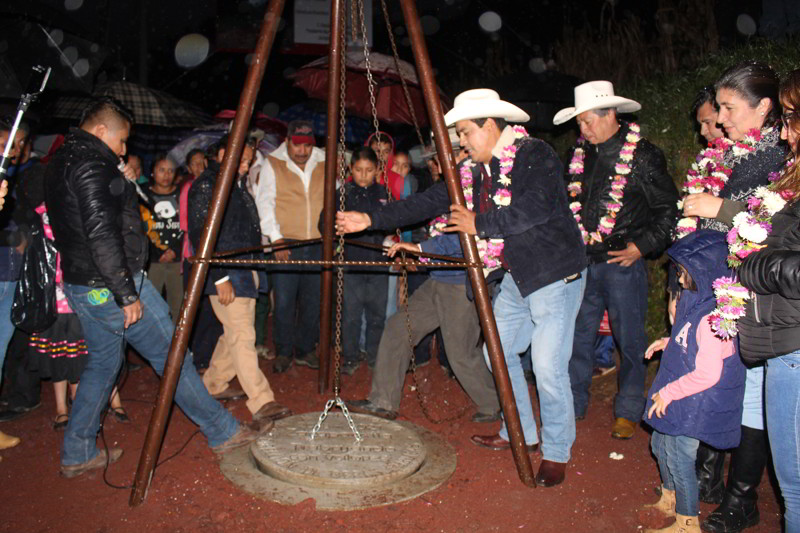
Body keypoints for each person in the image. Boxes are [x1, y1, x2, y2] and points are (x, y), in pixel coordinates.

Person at [338, 89, 587, 487]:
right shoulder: (473, 171)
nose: (462, 143)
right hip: (516, 278)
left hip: (555, 274)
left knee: (546, 365)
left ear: (490, 125)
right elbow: (424, 203)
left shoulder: (534, 154)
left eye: (466, 133)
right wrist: (369, 219)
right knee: (497, 353)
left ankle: (556, 452)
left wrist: (480, 225)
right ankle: (519, 431)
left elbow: (538, 206)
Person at [45, 97, 271, 478]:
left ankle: (77, 451)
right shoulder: (90, 166)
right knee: (172, 355)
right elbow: (101, 235)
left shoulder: (64, 159)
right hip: (112, 283)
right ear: (101, 131)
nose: (123, 150)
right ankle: (222, 430)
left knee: (102, 365)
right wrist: (125, 293)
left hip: (84, 283)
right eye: (121, 142)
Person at [682, 61, 784, 533]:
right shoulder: (735, 153)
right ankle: (716, 479)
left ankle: (742, 498)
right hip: (722, 285)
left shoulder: (781, 154)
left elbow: (777, 218)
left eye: (727, 108)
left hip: (760, 296)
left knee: (752, 396)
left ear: (763, 106)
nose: (719, 119)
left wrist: (720, 208)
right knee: (727, 384)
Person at [554, 80, 679, 439]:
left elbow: (668, 209)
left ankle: (628, 409)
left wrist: (643, 246)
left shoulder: (642, 155)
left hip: (623, 262)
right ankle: (573, 403)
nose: (583, 129)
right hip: (582, 261)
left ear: (611, 114)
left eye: (589, 121)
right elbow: (568, 204)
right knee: (578, 336)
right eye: (579, 123)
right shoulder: (578, 154)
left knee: (630, 339)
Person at [642, 230, 745, 533]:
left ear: (706, 272)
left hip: (695, 400)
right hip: (682, 391)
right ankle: (670, 497)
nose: (679, 279)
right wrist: (666, 342)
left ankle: (688, 521)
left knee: (680, 456)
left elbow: (708, 373)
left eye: (684, 273)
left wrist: (669, 393)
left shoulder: (712, 319)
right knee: (659, 442)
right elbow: (687, 340)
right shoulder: (695, 303)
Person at [733, 67, 800, 533]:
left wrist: (757, 264)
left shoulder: (765, 160)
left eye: (792, 116)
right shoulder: (791, 171)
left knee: (794, 484)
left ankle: (737, 498)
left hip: (795, 347)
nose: (785, 129)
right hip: (782, 338)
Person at [188, 136, 290, 422]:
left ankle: (212, 384)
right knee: (243, 334)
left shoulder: (234, 186)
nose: (245, 167)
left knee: (234, 334)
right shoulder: (208, 186)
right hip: (226, 273)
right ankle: (261, 401)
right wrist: (219, 278)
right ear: (222, 154)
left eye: (248, 162)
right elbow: (201, 234)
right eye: (241, 160)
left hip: (245, 270)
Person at [255, 120, 325, 374]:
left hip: (317, 242)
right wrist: (276, 239)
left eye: (307, 146)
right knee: (283, 302)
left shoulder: (324, 161)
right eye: (298, 145)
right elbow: (265, 203)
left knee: (312, 300)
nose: (303, 151)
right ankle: (284, 351)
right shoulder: (273, 163)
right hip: (286, 242)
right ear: (288, 141)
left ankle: (306, 350)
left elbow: (336, 197)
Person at [323, 147, 389, 375]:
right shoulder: (343, 193)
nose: (363, 175)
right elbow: (324, 224)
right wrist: (335, 233)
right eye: (359, 170)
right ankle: (350, 357)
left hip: (378, 263)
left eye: (369, 170)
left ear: (377, 170)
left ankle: (375, 356)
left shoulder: (383, 193)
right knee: (350, 315)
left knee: (377, 314)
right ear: (351, 169)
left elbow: (393, 222)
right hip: (350, 264)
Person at [142, 153, 183, 323]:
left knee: (178, 306)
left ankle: (176, 346)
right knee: (150, 307)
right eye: (161, 170)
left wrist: (174, 250)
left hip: (177, 260)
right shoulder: (142, 196)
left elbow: (188, 227)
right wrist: (158, 251)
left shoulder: (183, 195)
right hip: (152, 260)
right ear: (152, 172)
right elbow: (139, 227)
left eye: (170, 171)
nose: (166, 175)